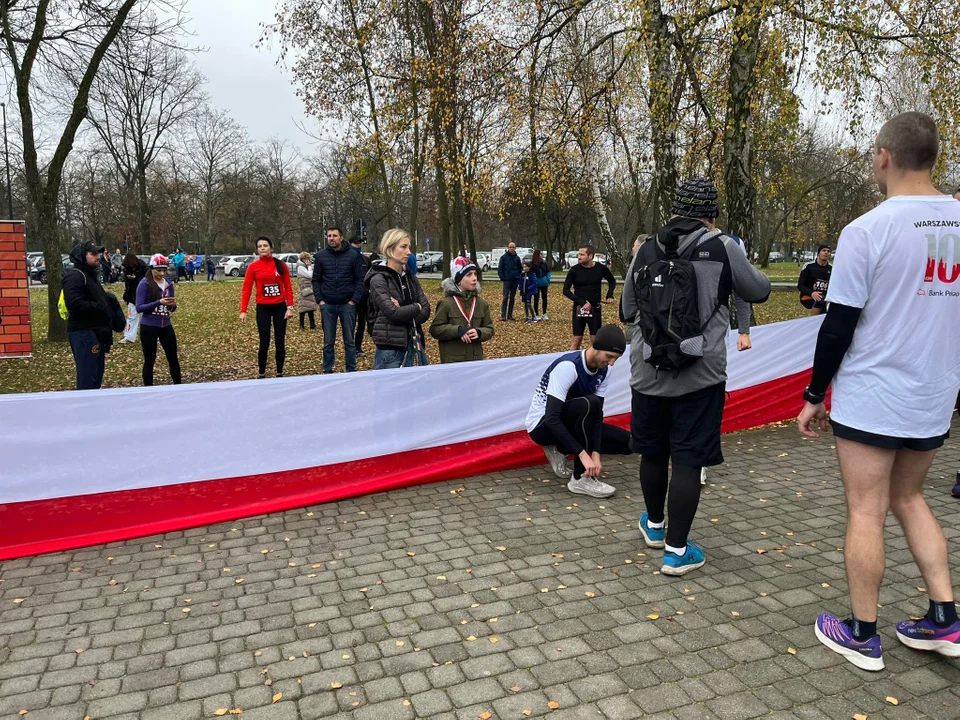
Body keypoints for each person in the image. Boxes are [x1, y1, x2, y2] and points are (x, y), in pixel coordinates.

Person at [797, 112, 960, 671]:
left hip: (874, 392)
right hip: (935, 393)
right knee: (910, 498)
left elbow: (837, 325)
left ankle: (862, 633)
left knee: (866, 508)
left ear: (885, 156)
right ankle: (945, 618)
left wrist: (815, 394)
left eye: (873, 154)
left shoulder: (867, 230)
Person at [622, 176, 771, 576]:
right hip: (701, 374)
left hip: (648, 371)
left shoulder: (647, 248)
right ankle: (676, 550)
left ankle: (654, 527)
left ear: (674, 209)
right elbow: (760, 290)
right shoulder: (722, 247)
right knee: (687, 459)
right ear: (711, 214)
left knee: (652, 451)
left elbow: (626, 309)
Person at [526, 324, 634, 498]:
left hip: (572, 422)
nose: (612, 362)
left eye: (616, 358)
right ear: (596, 347)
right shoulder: (568, 367)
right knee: (589, 403)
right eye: (609, 356)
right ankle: (580, 478)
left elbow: (597, 417)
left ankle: (561, 449)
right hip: (542, 426)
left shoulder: (604, 371)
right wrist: (584, 455)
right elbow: (553, 418)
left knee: (630, 444)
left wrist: (596, 454)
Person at [366, 228, 430, 369]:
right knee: (388, 390)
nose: (408, 252)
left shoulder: (410, 277)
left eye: (409, 247)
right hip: (390, 348)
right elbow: (392, 312)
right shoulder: (378, 278)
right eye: (403, 247)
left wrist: (403, 310)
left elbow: (426, 310)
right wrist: (416, 307)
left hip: (414, 343)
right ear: (389, 248)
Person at [312, 226, 366, 373]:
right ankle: (328, 370)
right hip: (327, 305)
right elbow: (316, 280)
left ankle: (351, 369)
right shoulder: (321, 256)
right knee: (328, 342)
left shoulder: (353, 256)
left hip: (347, 304)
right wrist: (320, 300)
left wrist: (353, 300)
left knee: (349, 341)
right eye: (329, 236)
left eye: (334, 235)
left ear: (341, 237)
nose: (331, 238)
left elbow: (360, 280)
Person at [240, 236, 295, 378]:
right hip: (263, 307)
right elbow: (246, 289)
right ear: (257, 250)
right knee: (264, 341)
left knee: (279, 341)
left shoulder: (280, 265)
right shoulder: (253, 267)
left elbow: (288, 287)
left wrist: (290, 307)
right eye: (260, 246)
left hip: (280, 307)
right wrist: (243, 310)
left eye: (265, 245)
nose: (263, 248)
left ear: (271, 248)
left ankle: (279, 372)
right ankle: (262, 372)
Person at [62, 241, 113, 390]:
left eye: (98, 254)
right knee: (87, 379)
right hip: (83, 332)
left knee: (96, 376)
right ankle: (84, 409)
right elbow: (74, 303)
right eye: (93, 254)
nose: (98, 257)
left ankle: (93, 409)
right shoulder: (75, 276)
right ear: (82, 256)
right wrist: (100, 306)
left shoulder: (90, 275)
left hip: (97, 332)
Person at [430, 263, 494, 362]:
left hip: (475, 360)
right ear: (458, 280)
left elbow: (489, 328)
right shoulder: (446, 303)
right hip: (453, 361)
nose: (474, 278)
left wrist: (479, 332)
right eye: (469, 275)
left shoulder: (481, 304)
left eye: (475, 274)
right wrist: (457, 330)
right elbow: (435, 329)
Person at [136, 254, 182, 386]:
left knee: (173, 357)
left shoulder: (168, 284)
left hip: (165, 325)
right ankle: (148, 388)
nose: (162, 273)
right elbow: (139, 307)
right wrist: (158, 302)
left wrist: (172, 306)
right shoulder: (144, 284)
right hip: (149, 326)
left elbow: (171, 307)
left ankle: (179, 386)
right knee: (150, 359)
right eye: (158, 270)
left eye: (164, 270)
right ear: (151, 269)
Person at [563, 245, 617, 350]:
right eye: (579, 254)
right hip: (580, 308)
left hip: (595, 308)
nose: (579, 257)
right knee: (577, 339)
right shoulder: (574, 270)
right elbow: (565, 290)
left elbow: (612, 281)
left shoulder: (601, 268)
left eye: (582, 254)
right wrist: (581, 302)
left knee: (595, 340)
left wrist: (609, 294)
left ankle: (596, 364)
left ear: (590, 256)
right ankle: (571, 364)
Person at [350, 236, 372, 358]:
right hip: (351, 297)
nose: (358, 245)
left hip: (363, 297)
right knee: (350, 324)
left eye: (359, 243)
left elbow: (369, 275)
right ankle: (350, 346)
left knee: (362, 324)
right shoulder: (347, 259)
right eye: (355, 243)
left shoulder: (365, 259)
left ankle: (357, 347)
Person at [797, 244, 833, 315]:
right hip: (808, 296)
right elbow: (800, 286)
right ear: (818, 253)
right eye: (824, 250)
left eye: (828, 251)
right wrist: (812, 293)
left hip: (826, 298)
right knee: (820, 300)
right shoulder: (808, 266)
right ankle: (813, 322)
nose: (826, 252)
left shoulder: (832, 268)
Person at [120, 252, 147, 344]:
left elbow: (148, 280)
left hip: (144, 295)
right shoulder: (127, 270)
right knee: (131, 317)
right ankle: (129, 337)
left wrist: (136, 278)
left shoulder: (143, 267)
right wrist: (126, 296)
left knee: (148, 315)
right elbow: (127, 285)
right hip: (132, 295)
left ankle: (153, 334)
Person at [497, 242, 523, 321]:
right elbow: (500, 269)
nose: (512, 249)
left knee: (512, 298)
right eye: (510, 247)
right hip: (507, 280)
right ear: (508, 248)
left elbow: (520, 268)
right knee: (505, 297)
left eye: (513, 247)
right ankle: (503, 315)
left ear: (515, 248)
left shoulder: (517, 258)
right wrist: (503, 277)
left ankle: (510, 315)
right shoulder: (503, 258)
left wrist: (517, 276)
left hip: (515, 280)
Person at [297, 251, 318, 330]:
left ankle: (312, 324)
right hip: (304, 289)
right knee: (303, 307)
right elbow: (310, 275)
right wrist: (309, 266)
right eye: (306, 259)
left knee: (310, 307)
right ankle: (301, 324)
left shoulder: (306, 266)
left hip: (309, 288)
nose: (308, 260)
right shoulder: (301, 267)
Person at [531, 250, 551, 320]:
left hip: (544, 283)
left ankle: (544, 313)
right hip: (536, 284)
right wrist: (533, 281)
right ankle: (537, 314)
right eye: (540, 254)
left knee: (544, 298)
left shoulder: (544, 263)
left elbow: (548, 272)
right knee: (536, 299)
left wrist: (548, 279)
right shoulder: (532, 264)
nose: (542, 255)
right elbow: (531, 274)